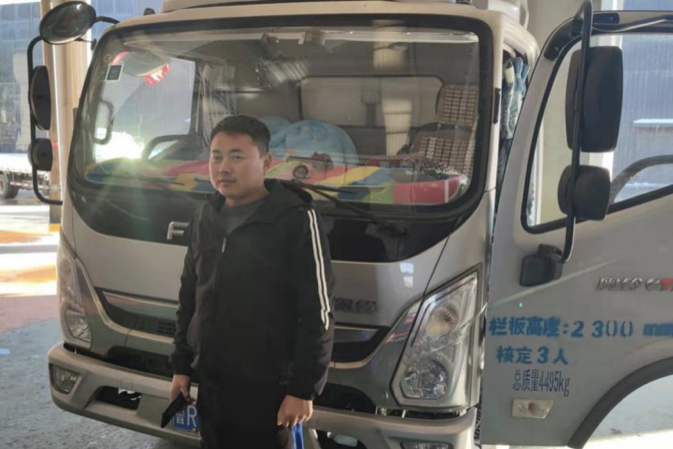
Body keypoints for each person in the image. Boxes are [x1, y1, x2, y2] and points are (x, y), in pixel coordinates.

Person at [169, 115, 335, 449]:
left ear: (266, 162)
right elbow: (189, 298)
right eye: (216, 157)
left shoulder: (296, 219)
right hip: (212, 384)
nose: (223, 168)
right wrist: (181, 366)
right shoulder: (206, 216)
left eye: (237, 157)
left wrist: (303, 389)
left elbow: (317, 311)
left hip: (267, 390)